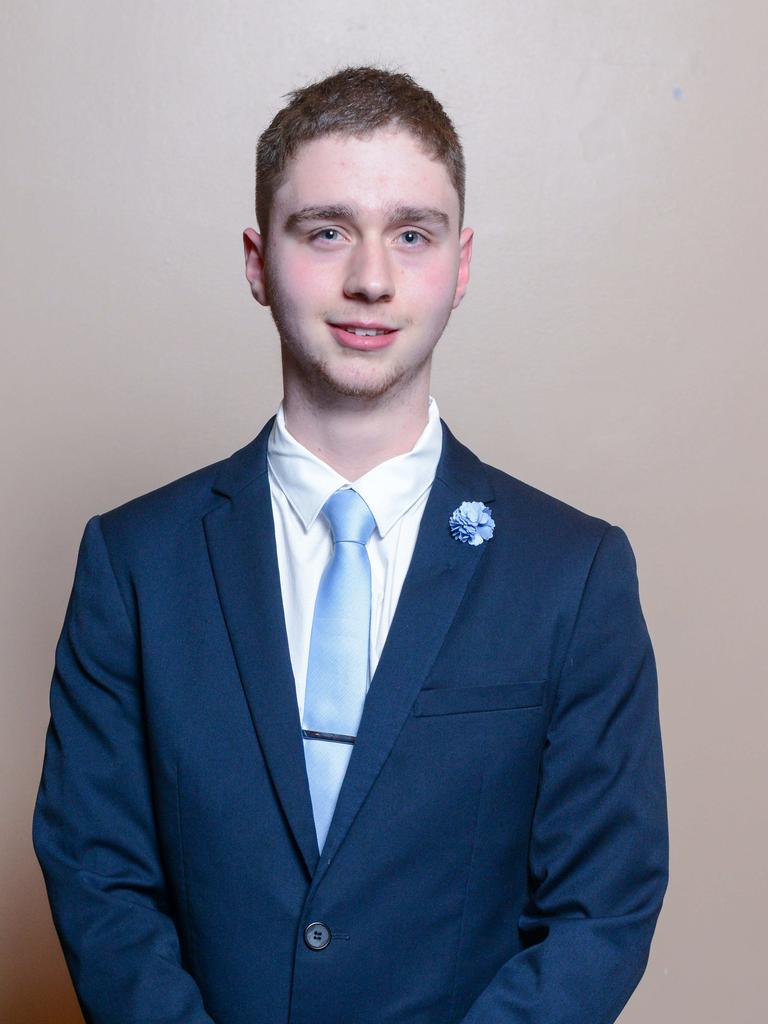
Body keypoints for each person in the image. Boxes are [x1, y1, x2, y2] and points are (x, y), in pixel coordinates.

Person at [32, 66, 668, 1024]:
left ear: (460, 265)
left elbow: (601, 909)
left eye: (412, 235)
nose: (370, 277)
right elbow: (99, 878)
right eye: (326, 230)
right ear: (257, 261)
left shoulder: (571, 573)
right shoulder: (134, 564)